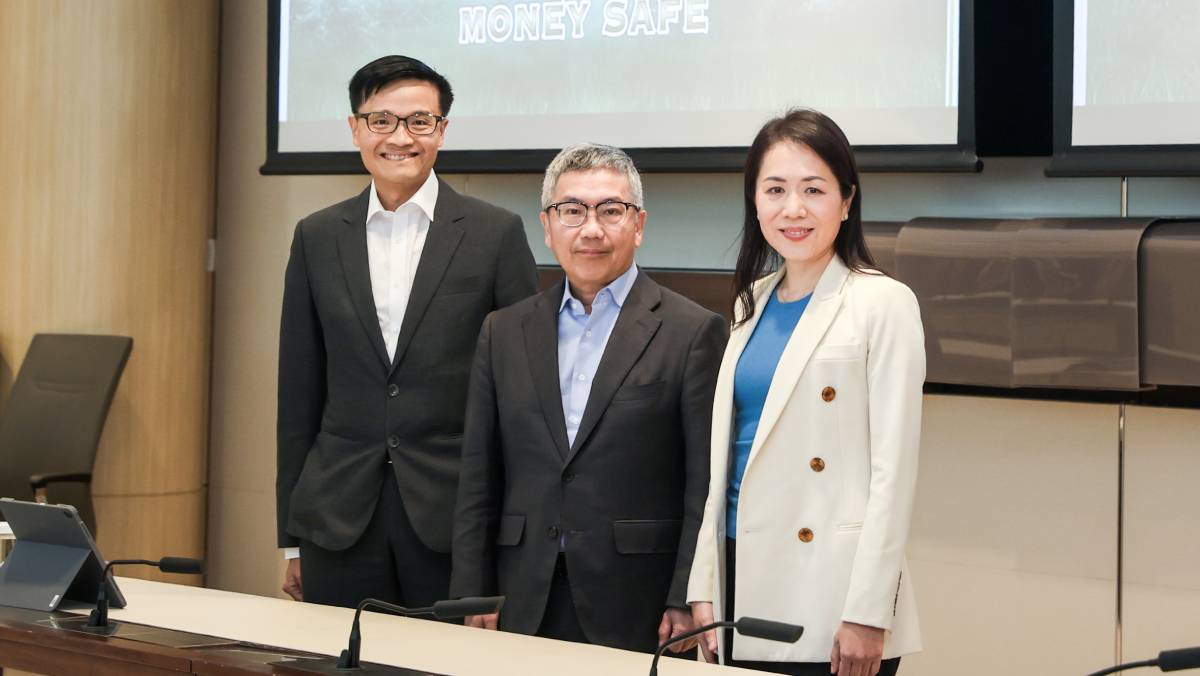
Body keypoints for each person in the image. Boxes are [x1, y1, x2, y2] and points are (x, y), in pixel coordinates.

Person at [276, 55, 538, 610]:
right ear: (356, 129)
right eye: (382, 121)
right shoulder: (316, 236)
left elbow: (524, 395)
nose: (400, 137)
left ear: (441, 131)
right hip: (338, 519)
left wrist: (511, 536)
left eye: (420, 121)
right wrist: (290, 538)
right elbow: (298, 393)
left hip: (453, 522)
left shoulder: (495, 234)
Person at [449, 143, 727, 653]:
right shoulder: (503, 331)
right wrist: (472, 589)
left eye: (611, 210)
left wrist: (685, 594)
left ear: (638, 225)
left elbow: (703, 483)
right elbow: (479, 475)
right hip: (520, 591)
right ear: (547, 226)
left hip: (636, 597)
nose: (591, 229)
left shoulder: (692, 331)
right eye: (572, 211)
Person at [687, 109, 924, 675]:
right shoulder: (750, 301)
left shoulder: (883, 303)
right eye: (775, 190)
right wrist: (704, 582)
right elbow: (724, 467)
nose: (792, 209)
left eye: (813, 190)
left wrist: (868, 611)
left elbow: (893, 477)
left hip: (831, 590)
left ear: (846, 201)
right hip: (741, 568)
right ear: (755, 202)